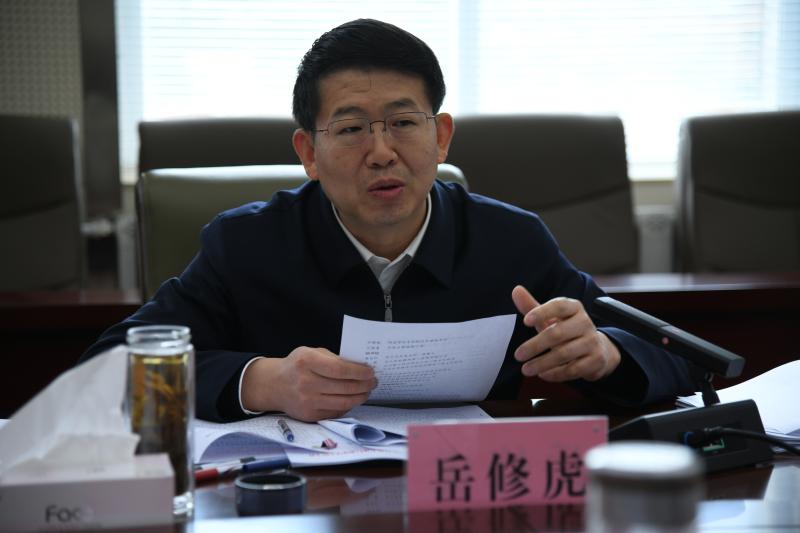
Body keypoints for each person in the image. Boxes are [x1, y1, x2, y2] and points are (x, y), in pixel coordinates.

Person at [81, 19, 698, 423]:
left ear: (442, 136)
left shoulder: (510, 241)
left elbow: (675, 356)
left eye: (404, 123)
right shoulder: (247, 245)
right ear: (308, 153)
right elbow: (106, 370)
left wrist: (605, 354)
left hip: (466, 497)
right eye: (351, 128)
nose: (381, 152)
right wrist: (259, 382)